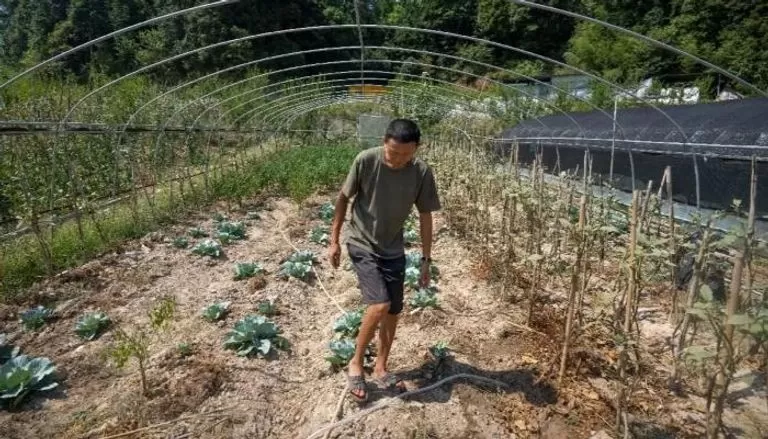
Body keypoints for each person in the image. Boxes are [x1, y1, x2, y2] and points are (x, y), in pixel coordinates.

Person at [327, 118, 441, 403]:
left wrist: (426, 260)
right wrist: (334, 240)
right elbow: (343, 198)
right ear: (384, 142)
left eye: (405, 154)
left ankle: (381, 366)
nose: (397, 159)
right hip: (361, 240)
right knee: (379, 304)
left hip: (393, 248)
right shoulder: (366, 160)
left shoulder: (421, 173)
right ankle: (356, 363)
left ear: (417, 148)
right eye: (392, 152)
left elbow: (426, 216)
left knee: (394, 311)